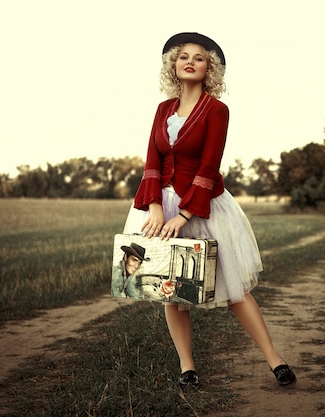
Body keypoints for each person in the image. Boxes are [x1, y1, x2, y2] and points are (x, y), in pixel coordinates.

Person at [122, 32, 296, 388]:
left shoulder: (217, 110)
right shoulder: (162, 110)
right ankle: (187, 367)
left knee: (233, 290)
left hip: (202, 207)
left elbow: (210, 166)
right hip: (160, 207)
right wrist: (154, 207)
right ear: (173, 65)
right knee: (172, 289)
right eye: (182, 56)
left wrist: (183, 215)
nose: (189, 61)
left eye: (198, 58)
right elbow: (152, 161)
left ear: (209, 68)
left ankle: (274, 359)